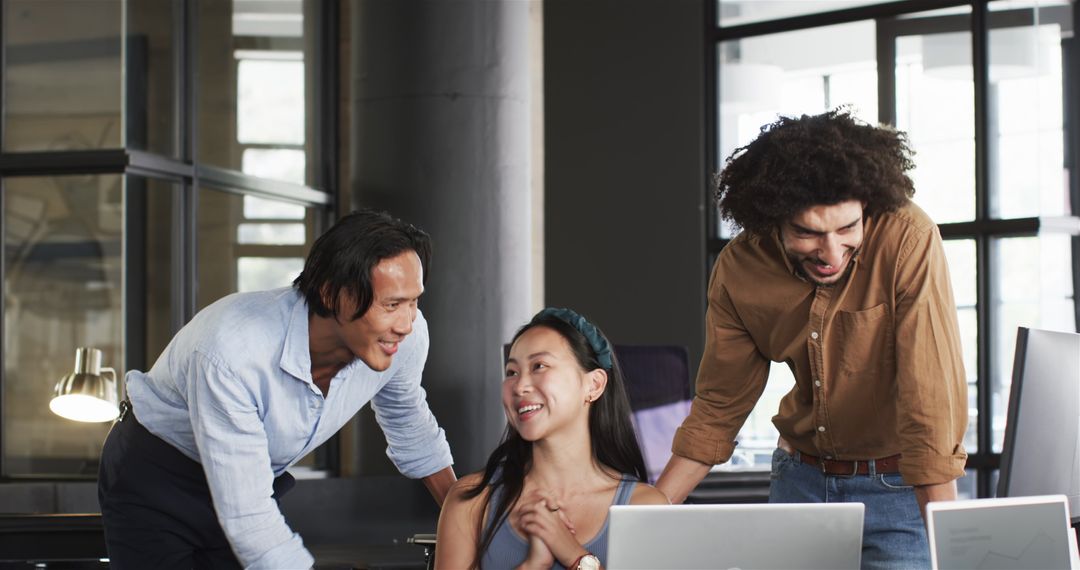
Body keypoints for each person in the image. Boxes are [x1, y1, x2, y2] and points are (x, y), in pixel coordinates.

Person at [656, 109, 968, 569]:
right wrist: (648, 515)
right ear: (771, 220)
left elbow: (930, 401)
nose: (831, 252)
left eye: (848, 228)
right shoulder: (740, 269)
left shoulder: (907, 239)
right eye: (807, 232)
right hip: (799, 484)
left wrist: (955, 548)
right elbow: (719, 407)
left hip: (900, 490)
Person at [98, 209, 457, 569]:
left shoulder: (403, 339)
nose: (407, 323)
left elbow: (410, 423)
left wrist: (470, 523)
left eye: (414, 301)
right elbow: (249, 518)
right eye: (392, 304)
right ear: (333, 295)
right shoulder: (232, 352)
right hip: (156, 477)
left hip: (250, 477)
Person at [435, 308, 668, 570]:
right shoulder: (471, 500)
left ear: (594, 385)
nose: (520, 385)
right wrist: (533, 565)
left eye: (539, 366)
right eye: (511, 372)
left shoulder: (646, 507)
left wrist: (574, 555)